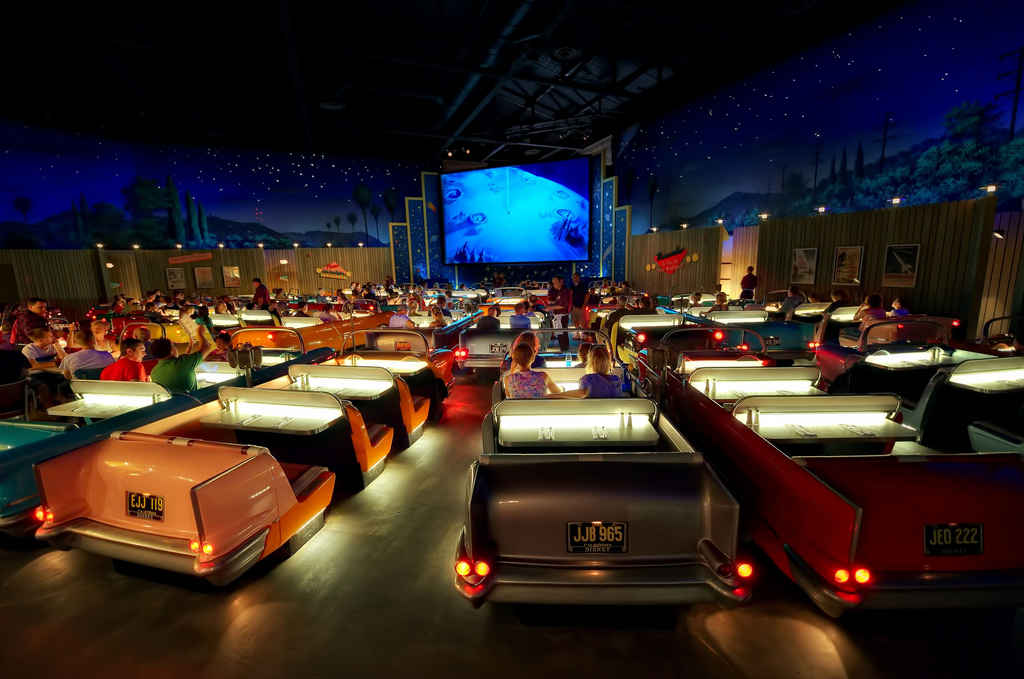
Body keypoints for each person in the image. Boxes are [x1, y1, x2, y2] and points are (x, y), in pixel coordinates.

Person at [149, 324, 215, 392]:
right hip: (193, 397)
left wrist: (190, 346)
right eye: (174, 346)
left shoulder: (154, 372)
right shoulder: (182, 363)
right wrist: (200, 333)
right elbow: (207, 347)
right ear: (171, 351)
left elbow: (183, 363)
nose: (176, 348)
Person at [548, 276, 572, 352]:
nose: (554, 284)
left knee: (562, 333)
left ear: (561, 281)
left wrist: (551, 307)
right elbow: (550, 301)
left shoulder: (565, 291)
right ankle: (564, 349)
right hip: (557, 315)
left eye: (555, 282)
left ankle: (564, 350)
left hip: (562, 315)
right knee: (560, 333)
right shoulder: (555, 291)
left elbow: (563, 305)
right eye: (553, 283)